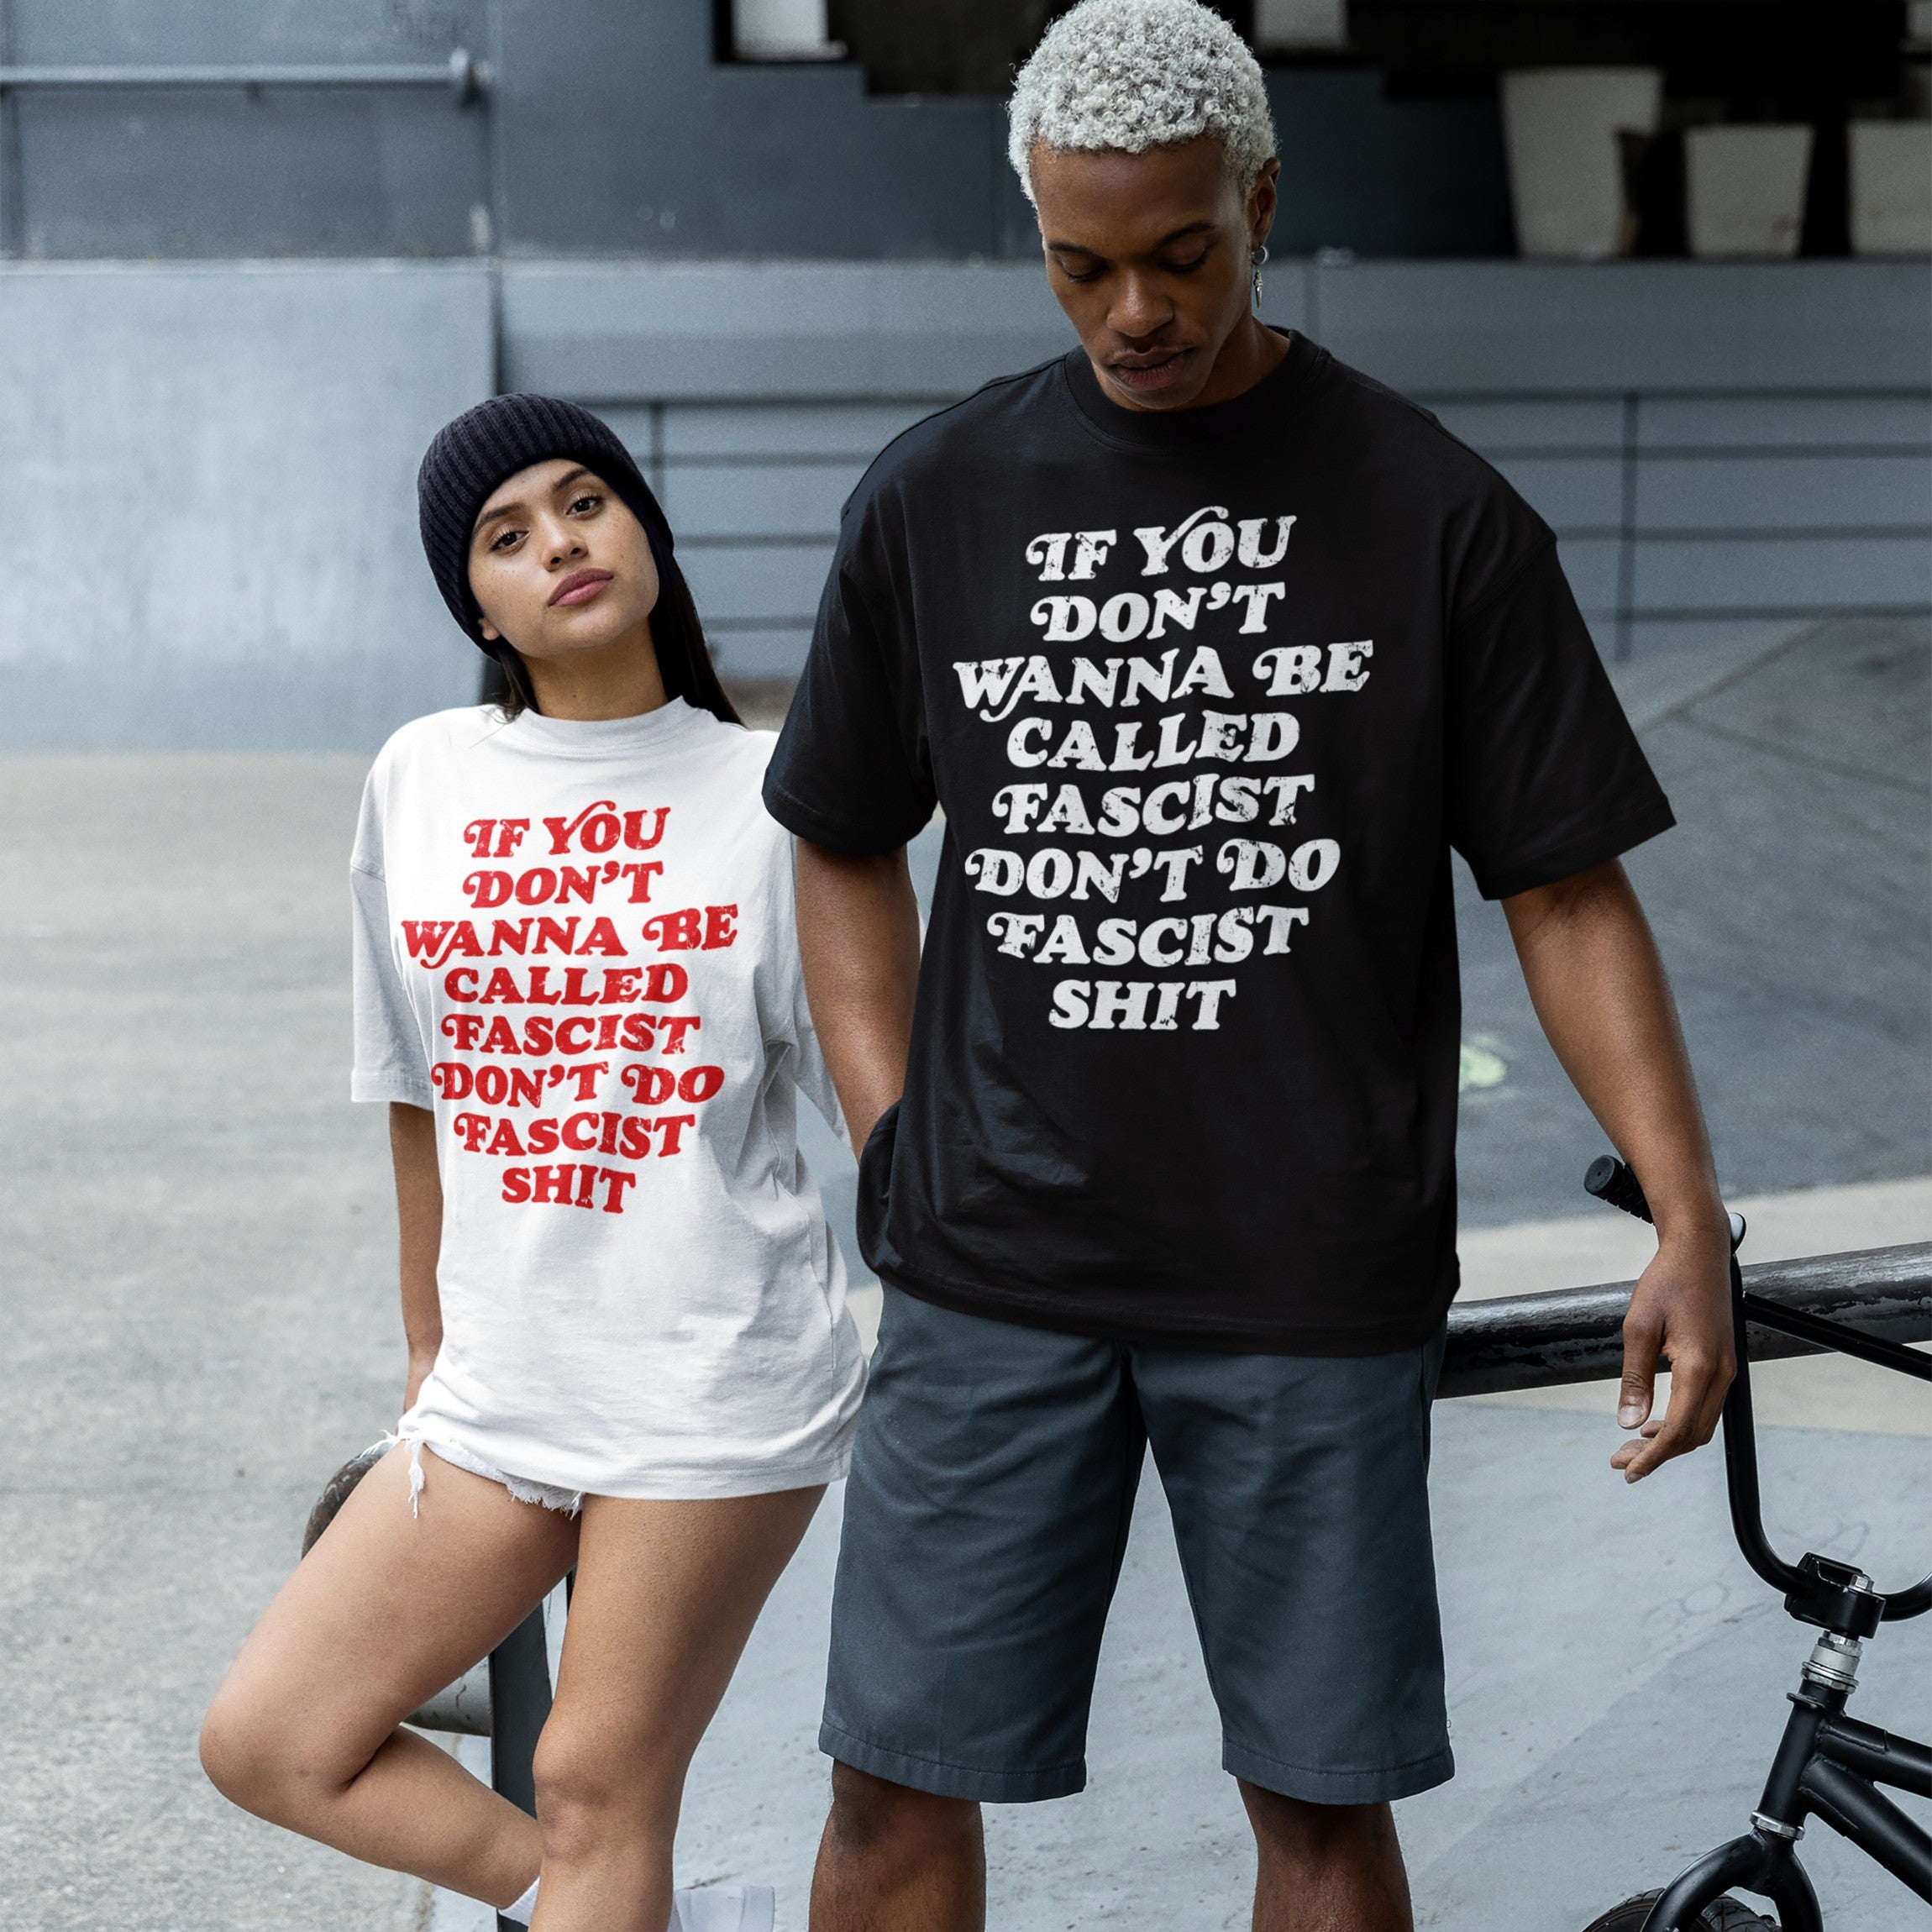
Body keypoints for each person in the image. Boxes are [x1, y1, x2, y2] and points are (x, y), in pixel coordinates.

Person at [760, 3, 1736, 1927]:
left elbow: (1563, 892)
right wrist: (892, 1131)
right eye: (1080, 264)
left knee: (1317, 1805)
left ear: (1261, 204)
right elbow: (841, 833)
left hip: (1308, 1270)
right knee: (891, 1784)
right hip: (994, 1264)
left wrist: (1687, 1212)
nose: (1132, 310)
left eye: (1180, 254)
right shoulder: (936, 498)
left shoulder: (1430, 510)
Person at [200, 394, 863, 1932]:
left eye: (585, 502)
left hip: (712, 1376)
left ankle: (615, 1898)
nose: (560, 542)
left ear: (645, 530)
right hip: (501, 1388)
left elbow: (874, 1094)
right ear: (479, 607)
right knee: (272, 1740)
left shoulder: (775, 795)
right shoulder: (423, 775)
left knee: (591, 1784)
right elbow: (415, 1092)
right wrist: (429, 1361)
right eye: (507, 536)